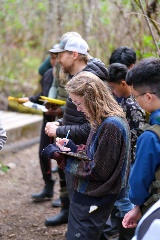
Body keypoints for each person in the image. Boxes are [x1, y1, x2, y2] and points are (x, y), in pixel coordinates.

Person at [42, 71, 131, 240]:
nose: (78, 108)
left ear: (91, 98)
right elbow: (95, 154)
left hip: (94, 198)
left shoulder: (111, 126)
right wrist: (72, 148)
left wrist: (63, 157)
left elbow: (98, 170)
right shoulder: (100, 120)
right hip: (93, 197)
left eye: (79, 102)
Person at [44, 35, 109, 226]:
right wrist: (61, 124)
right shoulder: (79, 79)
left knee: (89, 218)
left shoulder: (89, 83)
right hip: (76, 155)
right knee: (79, 212)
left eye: (61, 54)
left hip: (86, 159)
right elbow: (79, 117)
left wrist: (60, 129)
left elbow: (93, 127)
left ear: (74, 54)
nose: (58, 60)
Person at [100, 63, 146, 240]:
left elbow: (139, 137)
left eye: (112, 87)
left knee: (127, 200)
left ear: (123, 83)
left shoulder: (134, 106)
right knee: (120, 199)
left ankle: (128, 235)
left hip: (131, 160)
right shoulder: (118, 100)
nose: (111, 90)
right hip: (121, 160)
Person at [19, 50, 63, 202]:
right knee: (43, 153)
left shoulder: (67, 75)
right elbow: (41, 95)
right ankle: (48, 186)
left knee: (63, 155)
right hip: (47, 119)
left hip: (63, 121)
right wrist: (28, 99)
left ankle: (65, 197)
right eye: (51, 58)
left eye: (57, 58)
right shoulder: (48, 74)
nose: (54, 61)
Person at [122, 57, 160, 229]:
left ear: (149, 97)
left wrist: (138, 204)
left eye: (135, 97)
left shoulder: (151, 136)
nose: (134, 101)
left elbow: (138, 183)